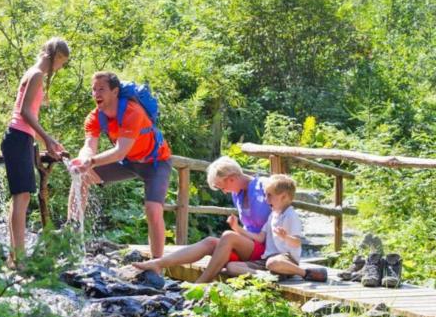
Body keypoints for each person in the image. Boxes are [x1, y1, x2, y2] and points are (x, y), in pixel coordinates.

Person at [68, 71, 172, 259]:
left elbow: (119, 151)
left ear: (115, 92)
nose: (96, 94)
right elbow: (89, 146)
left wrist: (91, 162)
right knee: (80, 176)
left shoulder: (133, 111)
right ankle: (72, 235)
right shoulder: (94, 117)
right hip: (129, 163)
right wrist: (83, 160)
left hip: (155, 163)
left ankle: (156, 266)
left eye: (101, 89)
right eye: (93, 90)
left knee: (153, 210)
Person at [131, 155, 270, 276]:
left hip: (266, 248)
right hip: (248, 245)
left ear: (232, 178)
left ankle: (200, 285)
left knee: (228, 236)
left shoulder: (264, 186)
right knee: (210, 241)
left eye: (222, 187)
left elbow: (282, 213)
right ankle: (158, 263)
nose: (224, 192)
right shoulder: (237, 193)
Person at [0, 37, 70, 266]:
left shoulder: (34, 73)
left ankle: (15, 256)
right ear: (56, 57)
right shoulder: (37, 74)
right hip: (18, 137)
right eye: (62, 63)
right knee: (22, 197)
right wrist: (47, 138)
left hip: (21, 137)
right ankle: (17, 258)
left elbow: (29, 118)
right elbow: (24, 113)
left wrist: (50, 143)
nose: (61, 68)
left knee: (21, 197)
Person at [223, 174, 327, 283]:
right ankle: (265, 276)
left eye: (269, 195)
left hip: (286, 260)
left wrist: (285, 237)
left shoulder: (291, 215)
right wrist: (237, 228)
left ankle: (305, 273)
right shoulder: (272, 215)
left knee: (272, 263)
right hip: (268, 260)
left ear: (283, 197)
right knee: (231, 266)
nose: (266, 199)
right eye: (265, 195)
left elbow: (297, 242)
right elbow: (260, 238)